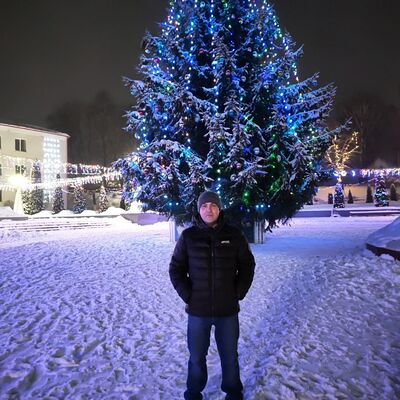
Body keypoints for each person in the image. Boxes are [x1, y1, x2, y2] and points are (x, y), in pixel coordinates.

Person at [169, 191, 256, 400]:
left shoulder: (234, 235)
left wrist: (238, 292)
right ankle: (193, 392)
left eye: (213, 205)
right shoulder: (188, 236)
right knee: (196, 357)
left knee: (229, 356)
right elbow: (176, 269)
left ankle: (233, 391)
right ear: (199, 210)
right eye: (204, 206)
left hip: (227, 310)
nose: (209, 209)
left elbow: (247, 265)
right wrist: (188, 295)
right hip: (198, 311)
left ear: (219, 208)